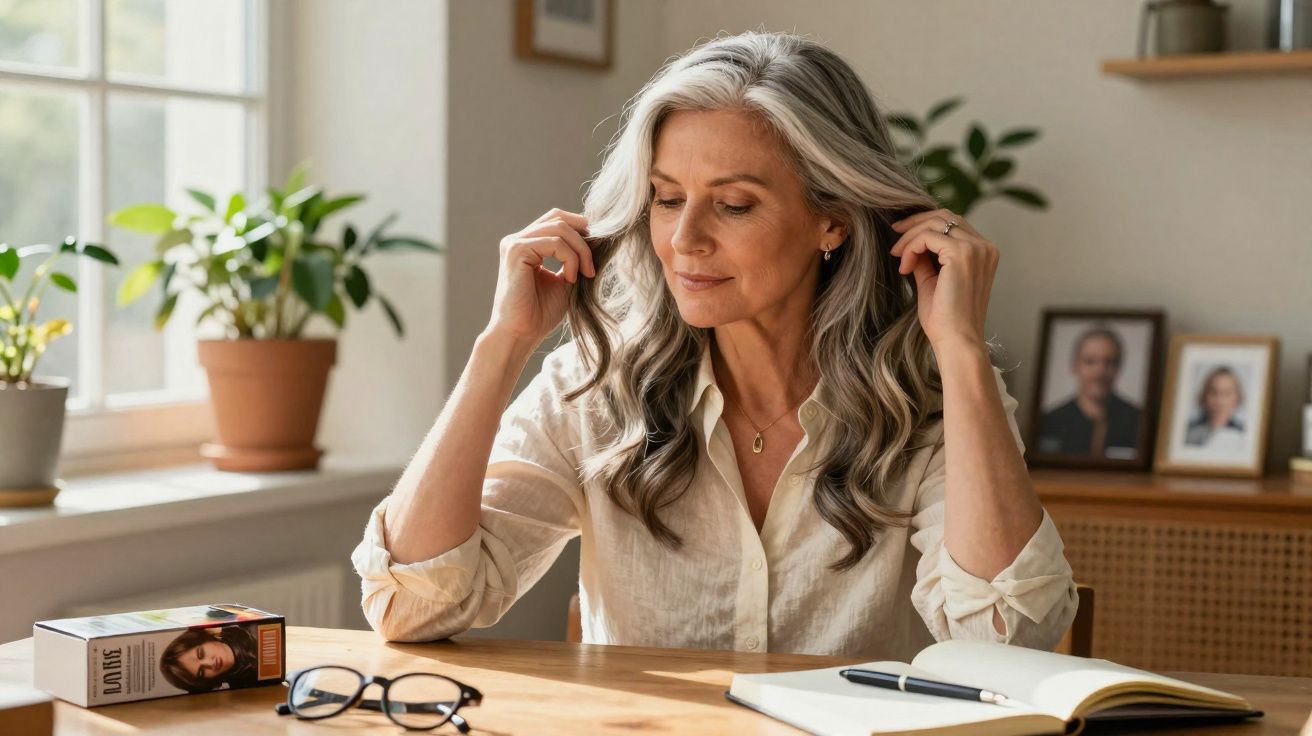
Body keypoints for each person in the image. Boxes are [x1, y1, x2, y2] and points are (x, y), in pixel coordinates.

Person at [352, 31, 1077, 660]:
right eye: (667, 198)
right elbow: (411, 606)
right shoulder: (596, 384)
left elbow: (1006, 638)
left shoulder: (926, 395)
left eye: (733, 204)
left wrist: (960, 348)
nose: (685, 240)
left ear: (833, 221)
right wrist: (501, 345)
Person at [1037, 327, 1142, 458]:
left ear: (1118, 368)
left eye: (1109, 362)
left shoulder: (1140, 422)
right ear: (1075, 366)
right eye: (1090, 361)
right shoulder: (1049, 422)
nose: (1100, 372)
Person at [159, 624, 259, 692]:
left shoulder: (250, 626)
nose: (210, 664)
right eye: (201, 672)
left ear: (204, 638)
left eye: (201, 654)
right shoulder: (244, 692)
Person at [1184, 365, 1246, 454]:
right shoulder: (1187, 432)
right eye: (1213, 392)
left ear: (1237, 398)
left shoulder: (1243, 434)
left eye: (1227, 393)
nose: (1219, 401)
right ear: (1204, 396)